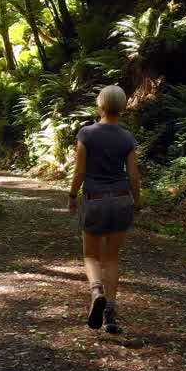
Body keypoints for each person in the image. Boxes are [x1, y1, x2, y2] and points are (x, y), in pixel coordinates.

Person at [68, 85, 142, 334]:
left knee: (91, 255)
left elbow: (80, 171)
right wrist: (138, 201)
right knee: (111, 257)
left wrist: (71, 195)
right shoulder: (127, 137)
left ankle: (96, 290)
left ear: (100, 105)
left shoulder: (86, 134)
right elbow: (133, 175)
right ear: (122, 108)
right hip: (122, 199)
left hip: (95, 199)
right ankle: (110, 313)